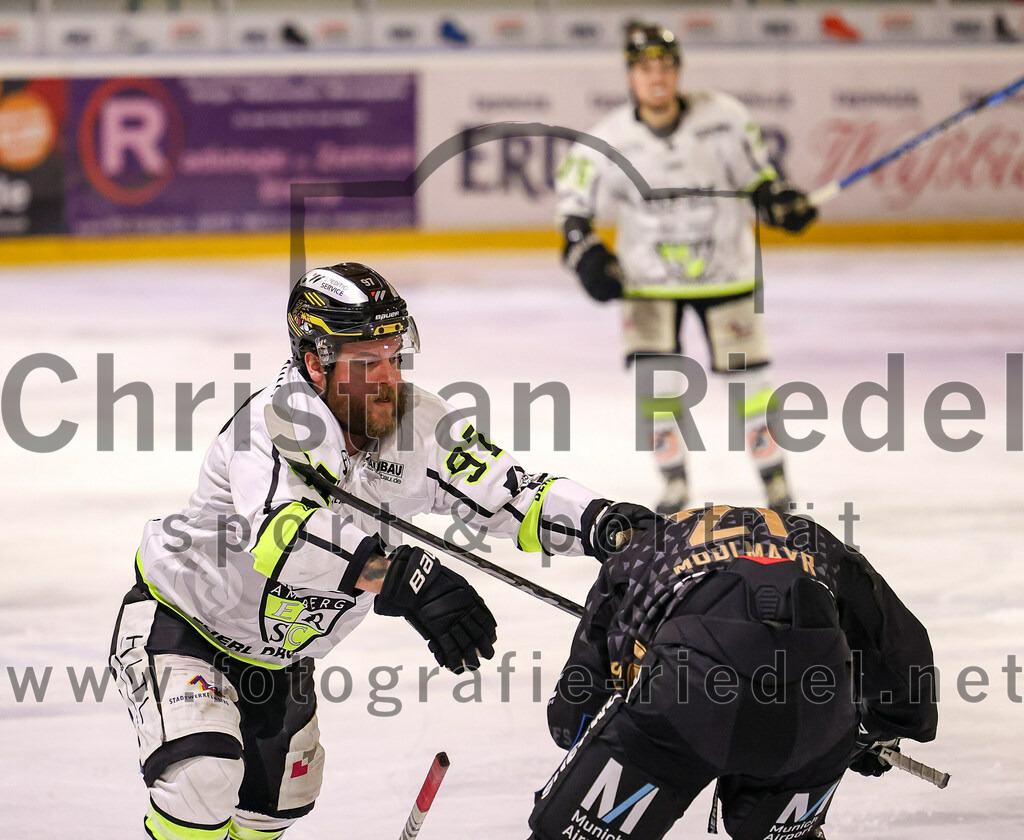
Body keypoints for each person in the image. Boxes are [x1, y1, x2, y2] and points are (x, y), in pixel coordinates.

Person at [109, 262, 655, 840]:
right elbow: (281, 536)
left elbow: (511, 495)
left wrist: (607, 526)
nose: (388, 376)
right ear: (316, 363)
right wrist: (398, 576)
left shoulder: (417, 423)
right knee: (201, 781)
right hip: (183, 627)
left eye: (394, 356)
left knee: (278, 805)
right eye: (368, 363)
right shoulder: (272, 425)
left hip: (280, 658)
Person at [528, 505, 938, 840]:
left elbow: (572, 717)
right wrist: (879, 732)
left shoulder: (642, 551)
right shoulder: (818, 542)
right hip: (814, 712)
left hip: (682, 702)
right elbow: (903, 653)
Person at [555, 22, 819, 516]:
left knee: (751, 384)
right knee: (655, 385)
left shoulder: (725, 118)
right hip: (649, 283)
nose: (657, 77)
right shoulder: (607, 140)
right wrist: (588, 254)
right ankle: (674, 484)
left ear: (678, 72)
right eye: (645, 68)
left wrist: (781, 203)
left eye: (666, 67)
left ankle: (775, 481)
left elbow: (761, 182)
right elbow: (572, 213)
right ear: (631, 76)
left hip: (728, 274)